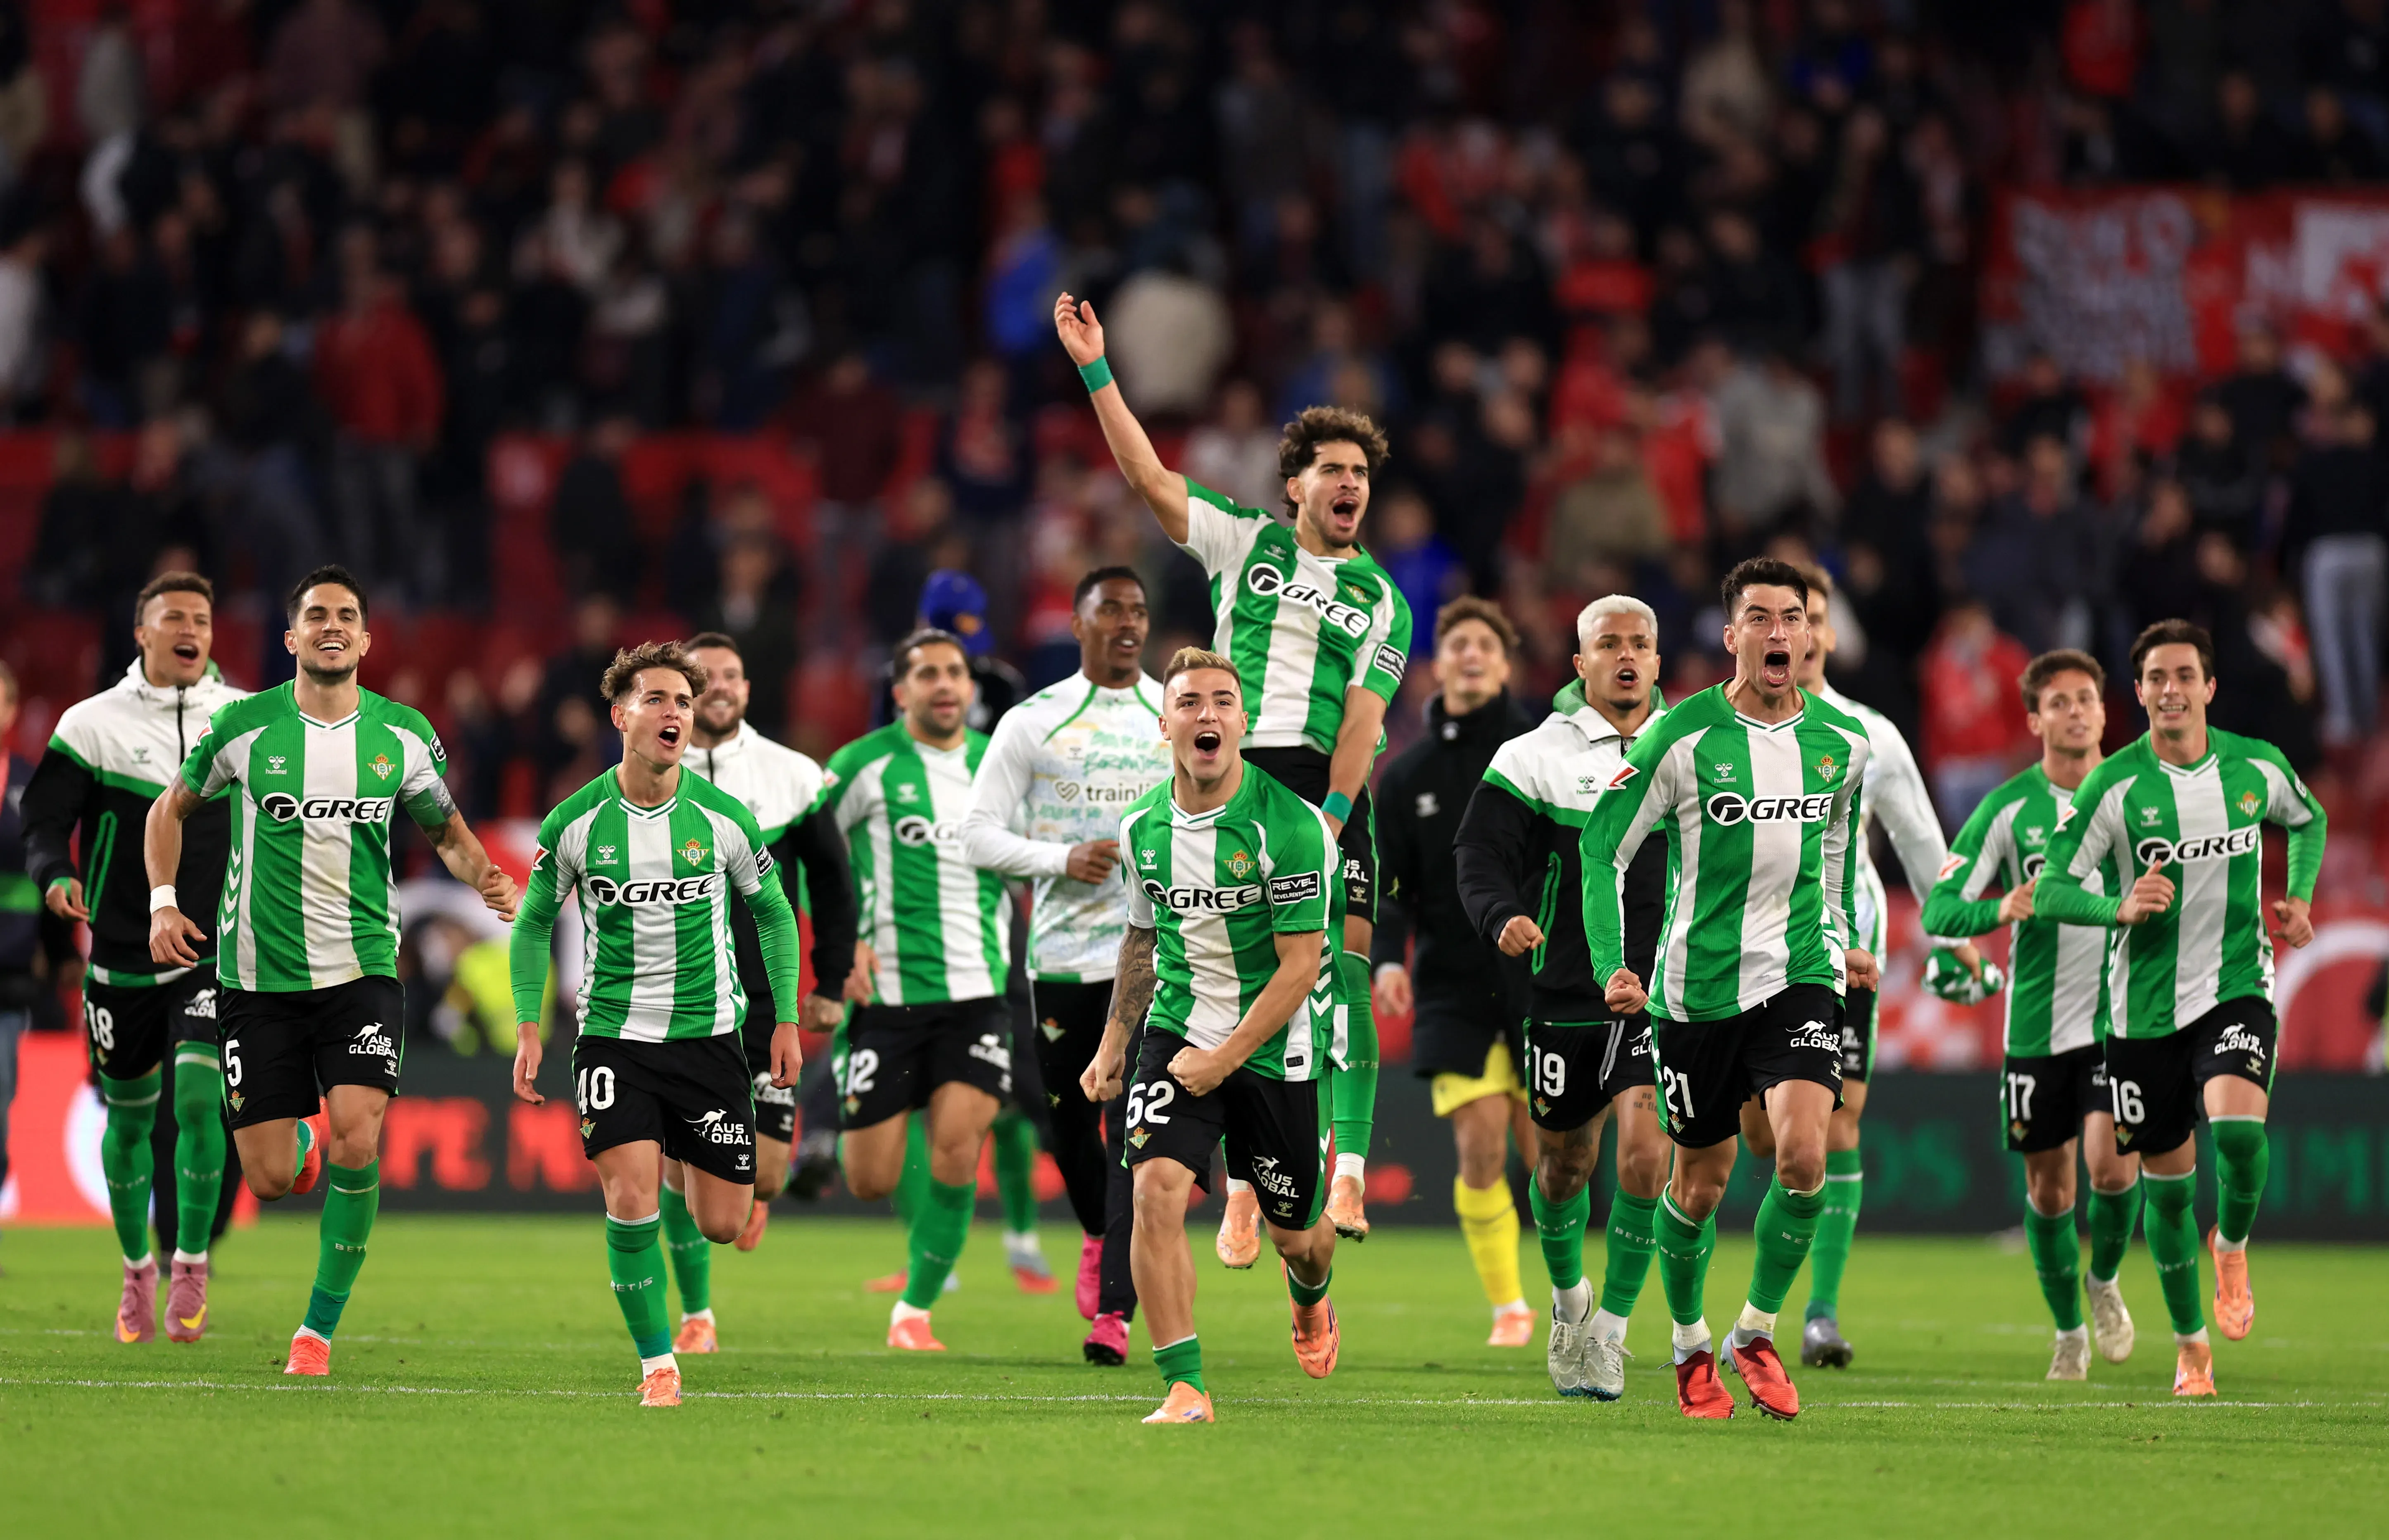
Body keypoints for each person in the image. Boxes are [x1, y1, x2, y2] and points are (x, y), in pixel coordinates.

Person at [1057, 291, 1412, 1248]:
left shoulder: (1383, 599)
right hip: (1227, 772)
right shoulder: (1242, 540)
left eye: (1360, 474)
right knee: (1212, 960)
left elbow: (1365, 721)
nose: (1350, 485)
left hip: (1320, 787)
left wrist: (1333, 816)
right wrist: (1096, 368)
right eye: (1331, 470)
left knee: (1336, 965)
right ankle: (1249, 1176)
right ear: (1293, 485)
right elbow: (1143, 473)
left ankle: (1340, 1178)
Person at [143, 566, 518, 1377]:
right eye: (316, 615)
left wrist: (484, 874)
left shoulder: (403, 736)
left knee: (360, 1139)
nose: (332, 625)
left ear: (367, 638)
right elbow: (167, 810)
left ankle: (315, 1332)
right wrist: (164, 902)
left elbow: (447, 830)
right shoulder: (244, 728)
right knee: (272, 1178)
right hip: (256, 980)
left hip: (361, 971)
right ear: (293, 637)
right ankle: (300, 1140)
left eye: (347, 614)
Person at [1579, 556, 1877, 1422]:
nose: (1778, 632)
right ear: (1730, 636)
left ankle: (1754, 1329)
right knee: (1699, 1182)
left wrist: (1840, 941)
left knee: (1802, 1157)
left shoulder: (1841, 747)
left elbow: (1832, 856)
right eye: (1759, 617)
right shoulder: (1676, 740)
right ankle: (1686, 1342)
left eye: (1793, 617)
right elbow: (1602, 850)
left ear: (1811, 635)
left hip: (1797, 977)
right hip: (1693, 990)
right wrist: (1612, 964)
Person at [507, 641, 804, 1408]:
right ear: (622, 716)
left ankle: (683, 1159)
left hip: (710, 1041)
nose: (676, 712)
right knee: (630, 1198)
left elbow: (773, 913)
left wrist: (785, 1020)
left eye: (683, 701)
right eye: (658, 699)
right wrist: (529, 1025)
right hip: (614, 1039)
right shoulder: (577, 821)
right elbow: (534, 921)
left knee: (722, 1223)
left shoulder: (724, 819)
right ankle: (656, 1364)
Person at [2034, 620, 2325, 1397]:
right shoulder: (2115, 787)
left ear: (2208, 687)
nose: (2170, 690)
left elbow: (2308, 819)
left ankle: (2230, 1243)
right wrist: (2118, 910)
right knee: (2166, 1186)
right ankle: (2191, 1347)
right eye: (2156, 678)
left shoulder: (2253, 767)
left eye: (2183, 676)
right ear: (2139, 694)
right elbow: (2053, 886)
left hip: (2235, 983)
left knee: (2236, 1136)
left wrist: (2296, 899)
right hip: (2140, 1013)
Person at [1079, 647, 1344, 1424]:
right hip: (1176, 1030)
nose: (1207, 714)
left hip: (1274, 1047)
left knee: (1303, 1239)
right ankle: (1185, 1386)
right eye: (1189, 702)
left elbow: (1299, 968)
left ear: (1244, 722)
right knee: (1154, 1191)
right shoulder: (1140, 829)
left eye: (1222, 702)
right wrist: (1112, 1044)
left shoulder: (1291, 827)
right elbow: (1140, 941)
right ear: (1164, 725)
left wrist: (1226, 1060)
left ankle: (1309, 1301)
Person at [1457, 595, 1674, 1400]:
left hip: (1662, 990)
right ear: (1577, 664)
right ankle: (1565, 1301)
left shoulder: (1691, 750)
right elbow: (1478, 852)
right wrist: (1502, 913)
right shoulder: (1533, 756)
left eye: (1639, 643)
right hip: (1562, 990)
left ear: (1656, 661)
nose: (1625, 656)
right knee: (1561, 1166)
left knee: (1646, 1154)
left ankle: (1609, 1333)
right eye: (1607, 644)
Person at [22, 574, 247, 1342]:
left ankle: (189, 1262)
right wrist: (55, 873)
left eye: (203, 619)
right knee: (126, 1123)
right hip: (118, 957)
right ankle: (135, 1270)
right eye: (174, 618)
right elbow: (45, 819)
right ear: (142, 634)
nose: (191, 629)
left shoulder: (243, 720)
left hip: (208, 952)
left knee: (196, 1100)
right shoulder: (92, 724)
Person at [960, 568, 1168, 1366]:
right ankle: (1095, 1235)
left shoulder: (1175, 713)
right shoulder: (1033, 722)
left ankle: (1114, 1310)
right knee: (1072, 1126)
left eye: (1138, 610)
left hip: (1158, 961)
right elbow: (975, 835)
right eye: (1110, 609)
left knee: (1135, 1137)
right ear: (1077, 624)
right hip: (1060, 960)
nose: (1127, 622)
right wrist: (1060, 858)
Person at [1922, 649, 2145, 1381]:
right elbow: (1938, 909)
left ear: (2106, 711)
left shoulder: (2141, 792)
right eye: (2059, 702)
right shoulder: (2009, 809)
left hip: (2123, 1021)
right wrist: (2000, 905)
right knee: (2049, 1191)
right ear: (2034, 719)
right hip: (2036, 1028)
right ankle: (2067, 1332)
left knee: (2111, 1173)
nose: (2075, 711)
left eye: (2086, 698)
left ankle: (2104, 1279)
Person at [1784, 564, 1981, 1369]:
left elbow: (1921, 846)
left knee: (1836, 1124)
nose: (1795, 633)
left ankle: (1815, 1313)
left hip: (1839, 948)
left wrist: (1955, 935)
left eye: (1811, 619)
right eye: (1781, 618)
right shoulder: (1710, 727)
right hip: (1734, 951)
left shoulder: (1868, 733)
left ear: (1828, 635)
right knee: (1761, 1139)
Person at [825, 629, 1014, 1351]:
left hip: (976, 993)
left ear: (970, 689)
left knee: (958, 1149)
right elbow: (809, 854)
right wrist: (841, 947)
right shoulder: (861, 766)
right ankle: (914, 1276)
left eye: (955, 673)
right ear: (900, 692)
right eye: (928, 674)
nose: (944, 685)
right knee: (869, 1178)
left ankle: (915, 1311)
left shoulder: (1001, 768)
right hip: (887, 998)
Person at [669, 631, 856, 1337]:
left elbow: (836, 887)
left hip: (765, 1008)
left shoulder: (793, 776)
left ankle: (754, 1187)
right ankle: (697, 1314)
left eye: (733, 676)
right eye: (703, 677)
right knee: (676, 1168)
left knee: (765, 1179)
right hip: (675, 1005)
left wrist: (831, 979)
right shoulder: (648, 772)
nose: (719, 687)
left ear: (748, 690)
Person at [1371, 597, 1538, 1347]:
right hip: (1450, 983)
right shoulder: (1406, 775)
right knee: (1480, 1147)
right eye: (1457, 645)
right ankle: (1510, 1305)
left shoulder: (1542, 748)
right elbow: (1392, 884)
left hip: (1542, 977)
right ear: (1437, 665)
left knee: (1553, 1156)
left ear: (1505, 666)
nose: (1470, 656)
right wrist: (1384, 962)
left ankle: (1568, 1294)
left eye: (1485, 646)